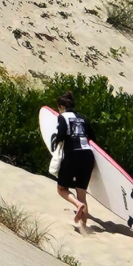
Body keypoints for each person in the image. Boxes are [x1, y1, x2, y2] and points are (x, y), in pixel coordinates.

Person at [52, 91, 96, 232]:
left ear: (61, 107)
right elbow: (93, 138)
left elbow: (61, 134)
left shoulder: (62, 117)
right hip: (88, 156)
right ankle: (83, 226)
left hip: (72, 156)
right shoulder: (83, 118)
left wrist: (55, 142)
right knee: (81, 191)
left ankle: (78, 205)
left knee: (62, 189)